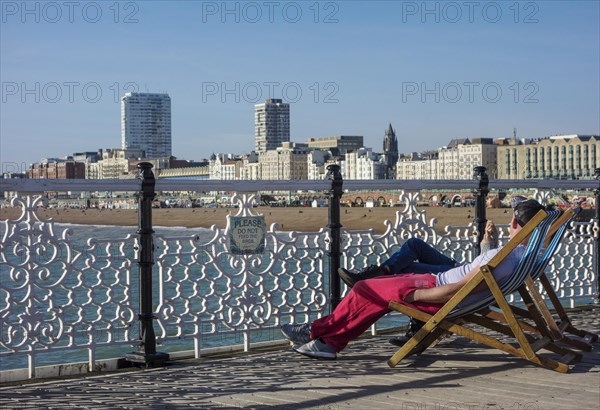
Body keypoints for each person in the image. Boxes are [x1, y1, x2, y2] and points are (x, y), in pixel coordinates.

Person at [280, 198, 544, 360]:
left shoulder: (502, 257)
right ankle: (328, 341)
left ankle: (318, 334)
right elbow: (474, 283)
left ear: (513, 223)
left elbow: (461, 288)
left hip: (435, 289)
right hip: (438, 283)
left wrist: (417, 296)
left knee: (364, 289)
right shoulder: (519, 255)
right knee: (371, 294)